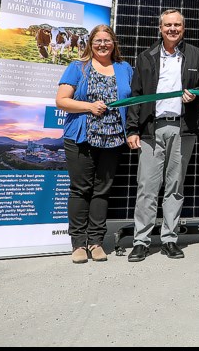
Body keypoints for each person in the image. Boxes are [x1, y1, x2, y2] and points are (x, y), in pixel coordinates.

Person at [125, 9, 199, 262]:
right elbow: (136, 96)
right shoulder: (146, 57)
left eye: (177, 25)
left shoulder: (196, 55)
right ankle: (141, 241)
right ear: (160, 28)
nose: (173, 29)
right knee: (147, 187)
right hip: (150, 130)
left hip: (183, 129)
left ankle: (169, 239)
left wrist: (196, 93)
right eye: (168, 25)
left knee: (175, 188)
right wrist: (132, 129)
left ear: (183, 28)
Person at [56, 24, 134, 264]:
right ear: (90, 43)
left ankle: (96, 241)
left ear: (114, 43)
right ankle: (78, 243)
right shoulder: (77, 67)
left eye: (107, 40)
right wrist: (89, 106)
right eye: (98, 40)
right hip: (82, 138)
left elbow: (133, 101)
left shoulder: (124, 68)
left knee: (102, 190)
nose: (102, 45)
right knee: (81, 189)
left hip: (113, 139)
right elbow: (61, 101)